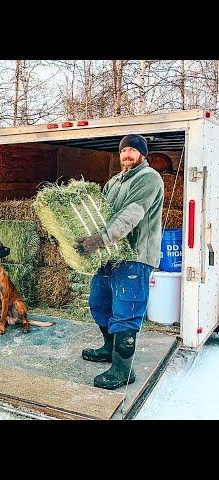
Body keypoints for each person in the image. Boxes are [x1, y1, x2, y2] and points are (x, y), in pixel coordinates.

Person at [74, 134, 164, 389]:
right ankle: (109, 348)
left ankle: (123, 370)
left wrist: (99, 240)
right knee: (98, 302)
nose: (127, 154)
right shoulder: (113, 182)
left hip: (134, 256)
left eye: (132, 150)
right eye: (124, 150)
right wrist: (82, 235)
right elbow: (99, 215)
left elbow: (130, 215)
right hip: (109, 256)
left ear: (142, 155)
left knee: (126, 311)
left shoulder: (149, 179)